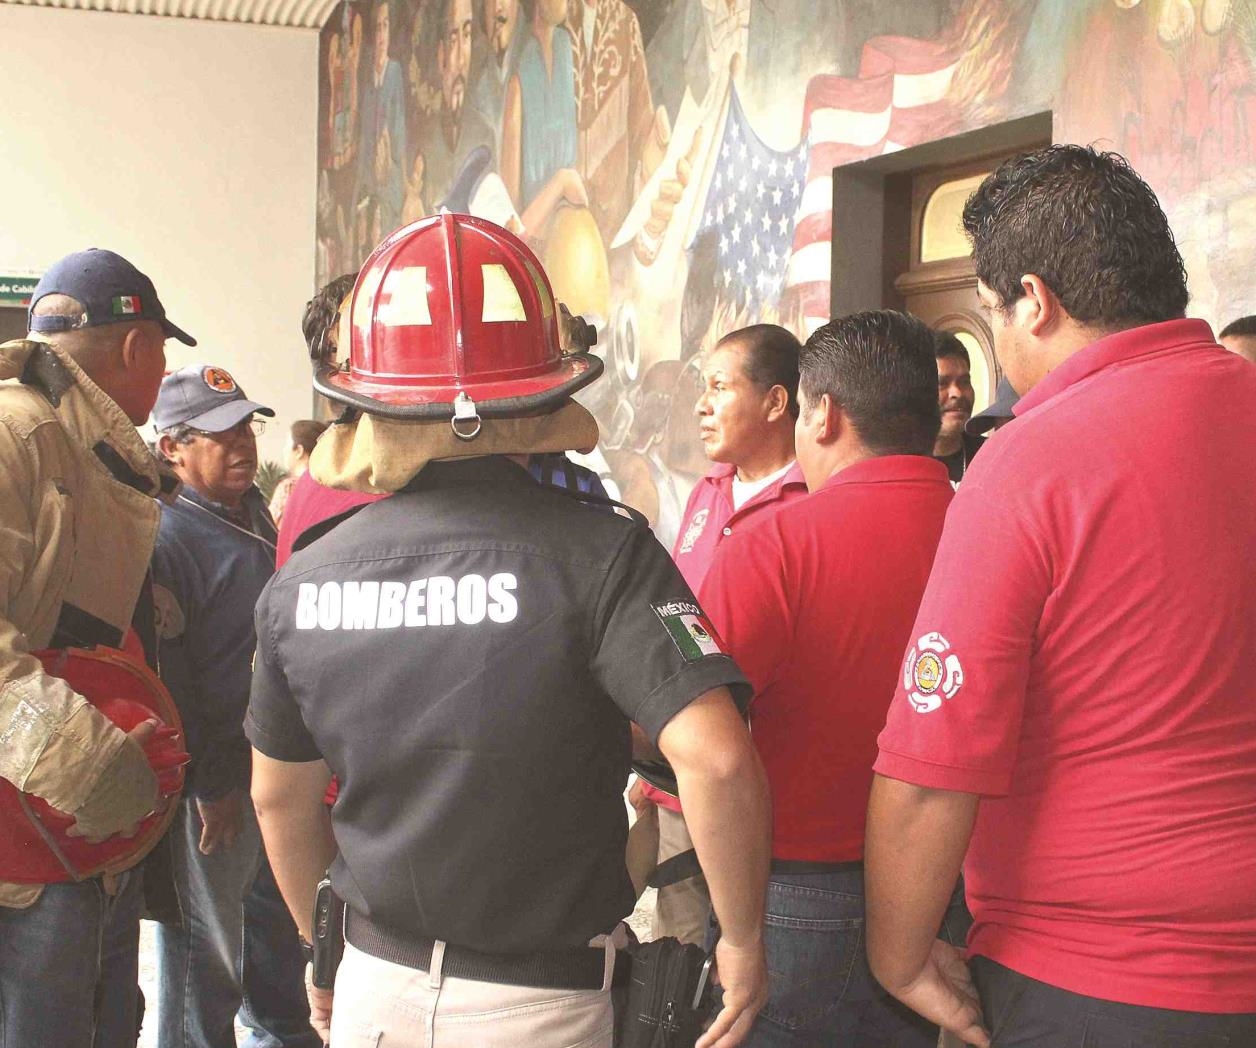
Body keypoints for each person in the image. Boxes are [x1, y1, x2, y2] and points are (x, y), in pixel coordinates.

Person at [245, 213, 771, 1048]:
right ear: (546, 390)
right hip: (544, 1007)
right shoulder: (604, 553)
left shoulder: (304, 575)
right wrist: (740, 939)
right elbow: (716, 756)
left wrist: (325, 957)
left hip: (375, 988)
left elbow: (277, 797)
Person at [866, 145, 1256, 1047]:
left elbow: (932, 771)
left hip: (1100, 981)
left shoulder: (1029, 461)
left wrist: (899, 956)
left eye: (993, 315)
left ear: (1034, 301)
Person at [700, 310, 967, 1048]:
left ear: (823, 414)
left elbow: (698, 726)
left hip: (801, 890)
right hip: (952, 886)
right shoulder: (988, 527)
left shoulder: (775, 544)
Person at [0, 247, 192, 1047]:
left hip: (81, 837)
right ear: (139, 349)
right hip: (35, 839)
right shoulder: (20, 434)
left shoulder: (82, 449)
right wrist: (91, 766)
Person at [151, 367, 317, 1048]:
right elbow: (176, 680)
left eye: (246, 426)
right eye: (221, 434)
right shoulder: (168, 538)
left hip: (272, 766)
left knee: (276, 929)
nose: (242, 444)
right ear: (173, 448)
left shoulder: (253, 513)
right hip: (216, 780)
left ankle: (281, 1033)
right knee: (204, 948)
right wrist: (211, 785)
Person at [635, 323, 806, 945]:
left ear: (776, 401)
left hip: (765, 786)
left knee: (755, 950)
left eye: (719, 387)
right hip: (682, 778)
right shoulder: (706, 493)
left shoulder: (813, 497)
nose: (701, 405)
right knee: (679, 960)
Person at [930, 331, 981, 487]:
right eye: (942, 383)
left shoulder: (990, 457)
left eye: (964, 382)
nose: (957, 393)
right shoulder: (896, 462)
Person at [269, 420, 329, 525]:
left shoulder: (288, 488)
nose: (284, 450)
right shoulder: (333, 486)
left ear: (299, 451)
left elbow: (271, 530)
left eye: (287, 444)